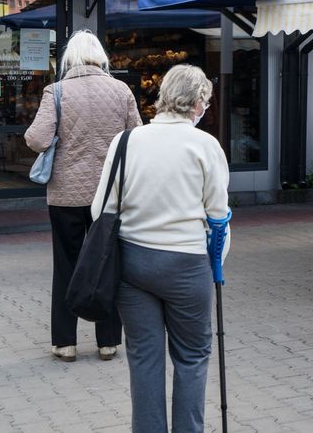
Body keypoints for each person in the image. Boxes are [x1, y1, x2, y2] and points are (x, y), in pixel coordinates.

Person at [90, 64, 230, 433]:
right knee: (192, 356)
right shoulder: (206, 146)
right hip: (187, 265)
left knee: (144, 357)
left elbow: (99, 210)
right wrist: (218, 264)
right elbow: (218, 217)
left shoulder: (126, 141)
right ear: (199, 102)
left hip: (132, 263)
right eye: (205, 100)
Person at [24, 31, 141, 363]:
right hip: (109, 193)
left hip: (65, 195)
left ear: (69, 59)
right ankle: (107, 341)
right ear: (100, 57)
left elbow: (37, 139)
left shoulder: (56, 91)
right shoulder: (121, 90)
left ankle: (65, 342)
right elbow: (136, 134)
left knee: (66, 265)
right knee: (107, 264)